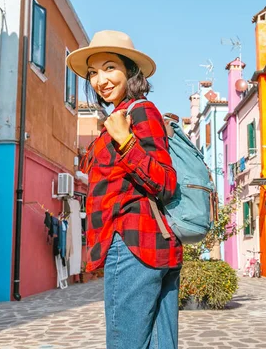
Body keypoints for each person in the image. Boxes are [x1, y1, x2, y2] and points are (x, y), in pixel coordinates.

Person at [67, 30, 182, 349]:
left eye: (109, 68)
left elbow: (165, 182)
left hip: (132, 244)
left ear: (131, 71)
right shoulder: (119, 117)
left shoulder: (139, 112)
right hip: (151, 247)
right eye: (92, 72)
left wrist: (126, 141)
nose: (99, 79)